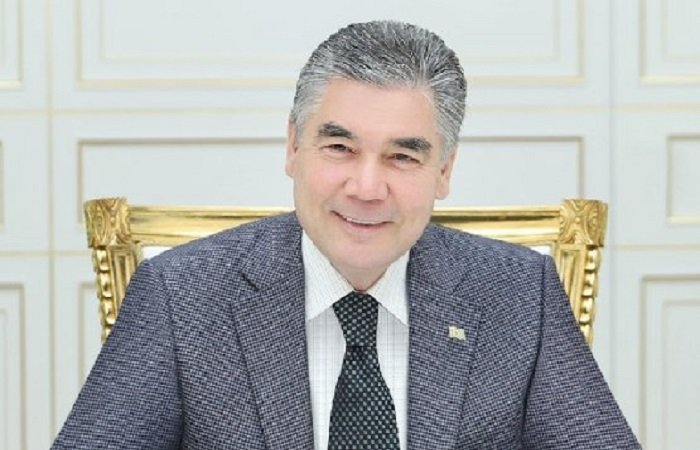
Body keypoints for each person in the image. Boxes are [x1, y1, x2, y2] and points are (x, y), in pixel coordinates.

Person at [52, 21, 640, 449]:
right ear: (293, 148)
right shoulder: (181, 293)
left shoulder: (518, 292)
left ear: (444, 171)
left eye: (402, 157)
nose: (366, 187)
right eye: (339, 147)